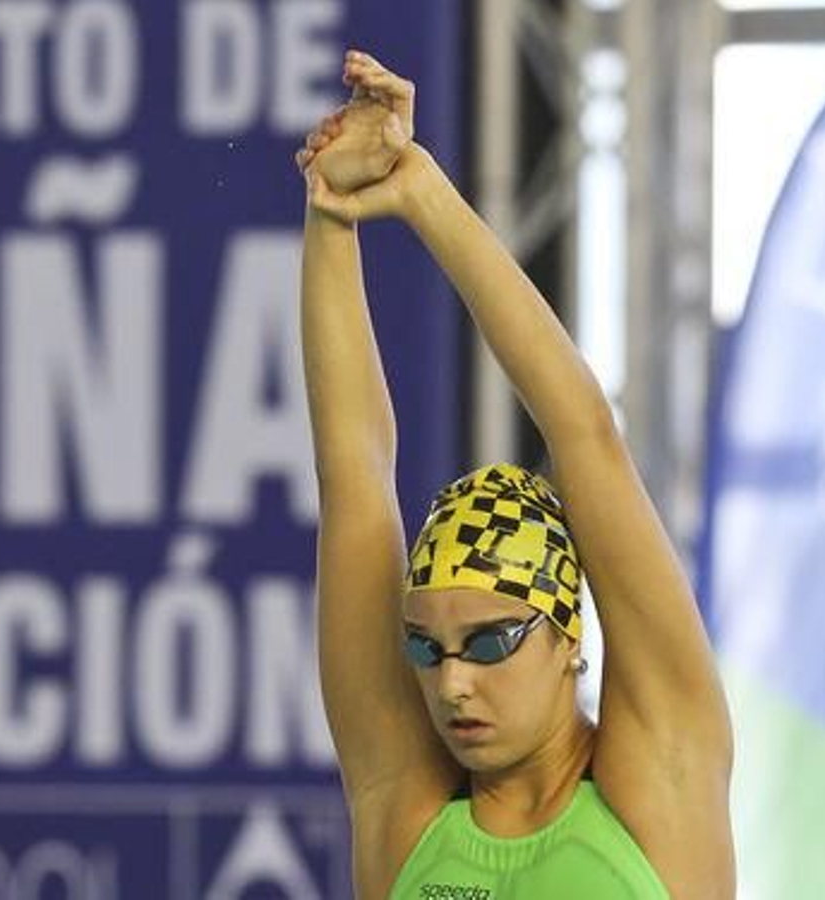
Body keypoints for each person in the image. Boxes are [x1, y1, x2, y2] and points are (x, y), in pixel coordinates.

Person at [296, 51, 735, 898]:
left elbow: (583, 433)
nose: (453, 683)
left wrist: (422, 192)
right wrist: (330, 208)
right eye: (427, 647)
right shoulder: (407, 814)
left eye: (491, 642)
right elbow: (352, 477)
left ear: (569, 637)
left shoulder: (661, 780)